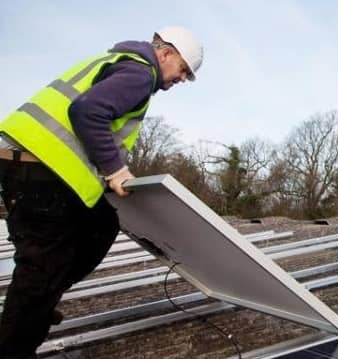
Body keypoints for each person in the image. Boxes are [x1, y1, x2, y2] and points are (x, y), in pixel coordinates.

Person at [0, 26, 203, 358]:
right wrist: (115, 170)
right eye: (183, 69)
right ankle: (18, 338)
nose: (182, 79)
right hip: (41, 171)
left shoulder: (121, 62)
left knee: (102, 224)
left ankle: (38, 304)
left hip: (30, 167)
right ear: (165, 53)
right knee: (40, 270)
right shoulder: (141, 72)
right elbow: (87, 111)